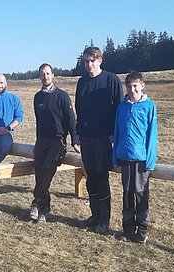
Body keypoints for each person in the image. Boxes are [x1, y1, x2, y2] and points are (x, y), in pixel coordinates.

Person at [75, 46, 124, 234]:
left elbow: (119, 110)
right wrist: (78, 133)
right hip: (87, 138)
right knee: (91, 178)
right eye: (86, 61)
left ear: (100, 61)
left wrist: (114, 134)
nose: (89, 65)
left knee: (102, 178)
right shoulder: (82, 82)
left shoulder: (111, 80)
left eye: (92, 61)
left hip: (105, 138)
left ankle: (104, 220)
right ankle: (94, 216)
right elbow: (79, 109)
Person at [30, 63, 80, 222]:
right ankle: (44, 208)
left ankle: (37, 203)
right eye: (42, 74)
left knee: (47, 171)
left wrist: (75, 140)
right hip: (42, 141)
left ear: (53, 75)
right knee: (39, 173)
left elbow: (71, 120)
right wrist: (38, 141)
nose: (45, 76)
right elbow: (39, 120)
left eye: (48, 73)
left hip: (58, 142)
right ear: (39, 76)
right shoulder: (38, 97)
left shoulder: (62, 96)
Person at [113, 71, 157, 243]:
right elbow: (117, 132)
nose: (132, 89)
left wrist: (150, 161)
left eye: (135, 86)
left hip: (141, 160)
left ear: (142, 86)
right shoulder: (122, 107)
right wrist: (115, 156)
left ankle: (142, 231)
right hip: (124, 158)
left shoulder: (148, 107)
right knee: (127, 194)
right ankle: (128, 230)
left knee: (141, 195)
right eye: (129, 86)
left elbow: (152, 136)